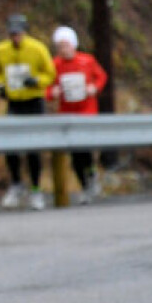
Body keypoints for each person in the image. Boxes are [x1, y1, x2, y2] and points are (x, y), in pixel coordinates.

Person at [0, 13, 56, 210]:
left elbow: (51, 73)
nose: (15, 38)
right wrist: (0, 86)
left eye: (18, 34)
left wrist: (36, 81)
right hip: (14, 103)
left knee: (33, 149)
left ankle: (36, 190)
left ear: (24, 32)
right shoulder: (0, 50)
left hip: (34, 102)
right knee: (10, 146)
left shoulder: (37, 48)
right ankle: (16, 184)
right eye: (12, 34)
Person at [48, 25, 107, 203]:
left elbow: (101, 77)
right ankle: (84, 186)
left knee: (86, 150)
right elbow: (47, 87)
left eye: (66, 45)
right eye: (60, 46)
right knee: (75, 155)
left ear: (73, 44)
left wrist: (94, 89)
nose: (63, 50)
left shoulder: (86, 60)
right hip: (67, 113)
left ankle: (92, 176)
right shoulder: (55, 65)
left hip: (87, 111)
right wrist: (53, 93)